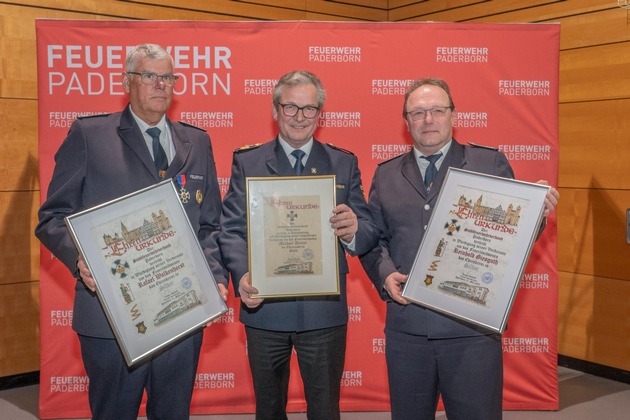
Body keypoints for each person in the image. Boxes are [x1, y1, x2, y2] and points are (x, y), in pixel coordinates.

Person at [35, 43, 228, 420]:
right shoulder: (90, 135)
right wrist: (80, 259)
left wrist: (215, 276)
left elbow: (209, 224)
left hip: (182, 312)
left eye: (168, 77)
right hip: (112, 316)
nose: (160, 85)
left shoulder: (197, 141)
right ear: (127, 81)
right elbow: (52, 216)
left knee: (173, 413)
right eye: (149, 76)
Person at [359, 77, 560, 420]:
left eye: (437, 110)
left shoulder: (488, 164)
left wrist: (536, 212)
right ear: (405, 121)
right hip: (408, 331)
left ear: (454, 115)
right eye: (418, 112)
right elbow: (373, 240)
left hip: (471, 332)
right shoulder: (385, 174)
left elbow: (510, 238)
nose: (428, 120)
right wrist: (385, 274)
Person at [219, 70, 378, 420]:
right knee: (269, 409)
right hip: (265, 308)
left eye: (309, 109)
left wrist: (352, 230)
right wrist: (243, 274)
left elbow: (367, 229)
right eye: (291, 107)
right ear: (276, 109)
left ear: (320, 114)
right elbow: (230, 229)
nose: (300, 117)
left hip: (323, 311)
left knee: (325, 410)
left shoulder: (343, 162)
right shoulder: (248, 162)